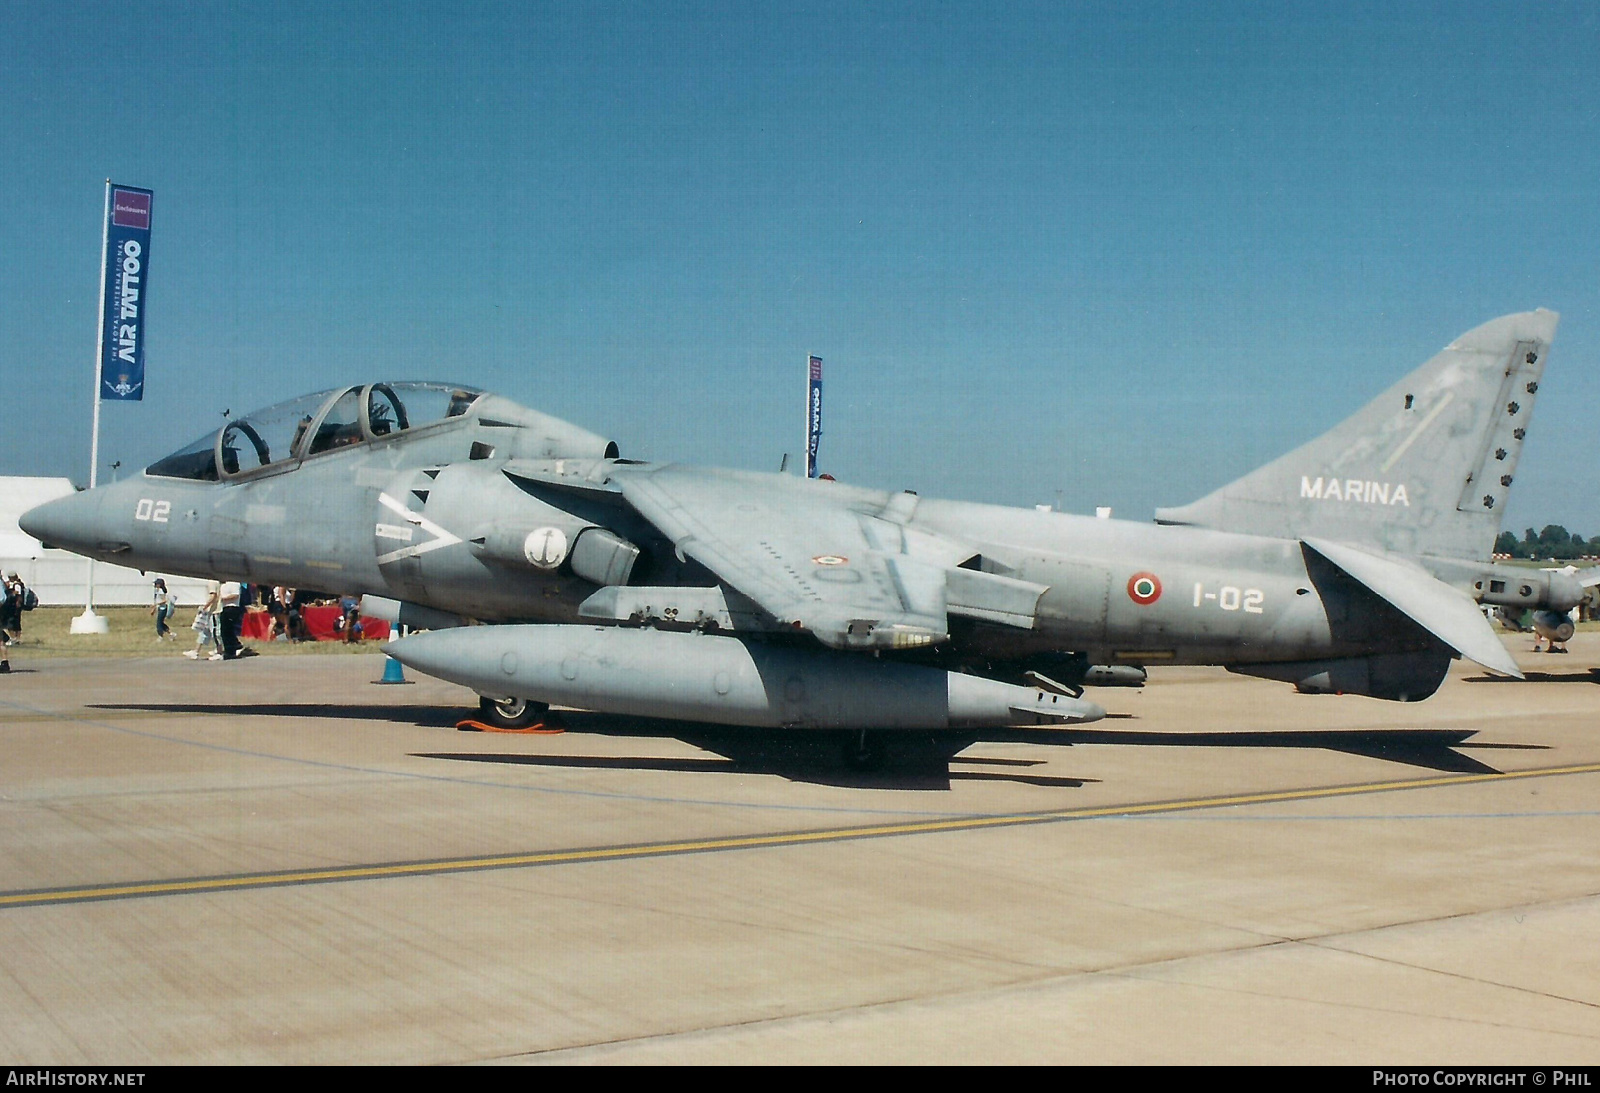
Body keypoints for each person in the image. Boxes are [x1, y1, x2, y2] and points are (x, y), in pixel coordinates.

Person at [184, 580, 223, 661]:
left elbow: (213, 596)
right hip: (211, 611)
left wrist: (205, 607)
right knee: (204, 631)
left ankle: (219, 652)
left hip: (214, 611)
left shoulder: (212, 582)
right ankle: (196, 651)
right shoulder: (216, 582)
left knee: (215, 632)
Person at [218, 579, 244, 660]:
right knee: (224, 630)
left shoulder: (234, 583)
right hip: (224, 608)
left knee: (229, 629)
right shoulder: (223, 585)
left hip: (232, 607)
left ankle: (233, 648)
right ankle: (229, 649)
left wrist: (224, 598)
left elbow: (236, 595)